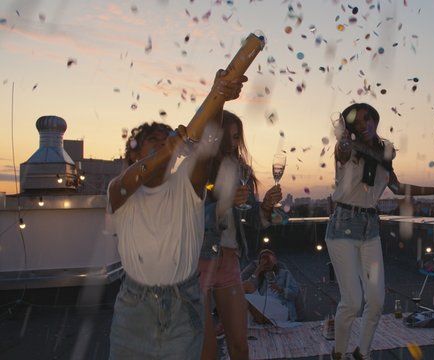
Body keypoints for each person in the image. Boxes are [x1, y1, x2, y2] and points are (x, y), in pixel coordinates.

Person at [106, 70, 247, 359]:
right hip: (134, 310)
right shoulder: (121, 189)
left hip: (184, 304)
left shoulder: (187, 185)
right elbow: (132, 179)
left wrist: (218, 97)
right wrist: (166, 150)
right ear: (134, 154)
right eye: (153, 140)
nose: (164, 141)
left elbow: (207, 149)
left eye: (167, 138)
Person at [325, 103, 434, 360]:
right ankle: (338, 353)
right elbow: (342, 151)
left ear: (375, 119)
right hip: (342, 225)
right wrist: (343, 140)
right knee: (352, 302)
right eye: (357, 122)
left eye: (367, 119)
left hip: (370, 228)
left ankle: (362, 353)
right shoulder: (347, 148)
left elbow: (396, 188)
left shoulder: (383, 155)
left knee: (375, 301)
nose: (363, 125)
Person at [198, 111, 283, 360]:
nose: (234, 143)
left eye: (237, 137)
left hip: (229, 260)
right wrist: (223, 203)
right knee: (207, 351)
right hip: (199, 261)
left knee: (240, 347)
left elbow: (250, 217)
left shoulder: (241, 169)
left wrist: (265, 206)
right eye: (230, 136)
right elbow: (190, 218)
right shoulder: (198, 169)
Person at [242, 249, 301, 322]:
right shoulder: (260, 276)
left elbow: (294, 294)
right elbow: (247, 288)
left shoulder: (285, 274)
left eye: (269, 258)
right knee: (246, 285)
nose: (266, 261)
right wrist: (258, 270)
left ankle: (259, 319)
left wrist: (280, 289)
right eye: (263, 258)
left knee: (245, 298)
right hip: (263, 304)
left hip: (280, 306)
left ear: (275, 261)